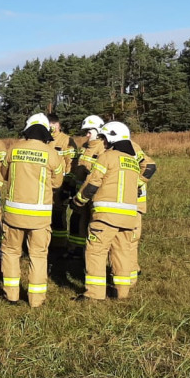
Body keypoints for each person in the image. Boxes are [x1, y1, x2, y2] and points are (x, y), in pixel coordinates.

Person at [0, 113, 64, 308]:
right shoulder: (52, 154)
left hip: (13, 215)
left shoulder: (14, 149)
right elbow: (58, 181)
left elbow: (4, 174)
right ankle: (36, 300)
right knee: (38, 255)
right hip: (40, 217)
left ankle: (12, 296)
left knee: (11, 253)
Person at [72, 121, 141, 301]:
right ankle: (121, 292)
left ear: (111, 138)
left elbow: (92, 184)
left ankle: (94, 294)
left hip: (105, 217)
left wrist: (78, 202)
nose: (102, 142)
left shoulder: (107, 157)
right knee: (122, 253)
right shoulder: (133, 162)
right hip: (129, 219)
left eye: (104, 138)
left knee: (95, 252)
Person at [65, 115, 106, 259]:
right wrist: (70, 186)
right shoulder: (83, 147)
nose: (87, 135)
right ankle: (75, 249)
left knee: (91, 224)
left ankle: (88, 253)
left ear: (98, 131)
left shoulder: (103, 148)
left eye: (89, 131)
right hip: (79, 193)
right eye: (86, 132)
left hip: (93, 194)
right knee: (76, 221)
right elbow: (75, 168)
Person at [47, 113, 77, 252]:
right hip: (46, 183)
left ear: (58, 125)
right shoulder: (45, 140)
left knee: (59, 214)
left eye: (52, 125)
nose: (50, 128)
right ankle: (48, 241)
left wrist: (67, 184)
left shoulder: (66, 140)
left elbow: (71, 162)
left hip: (60, 184)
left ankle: (59, 244)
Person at [131, 138, 157, 286]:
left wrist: (136, 184)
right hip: (124, 203)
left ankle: (132, 271)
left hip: (135, 204)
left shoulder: (131, 146)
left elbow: (150, 166)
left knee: (130, 240)